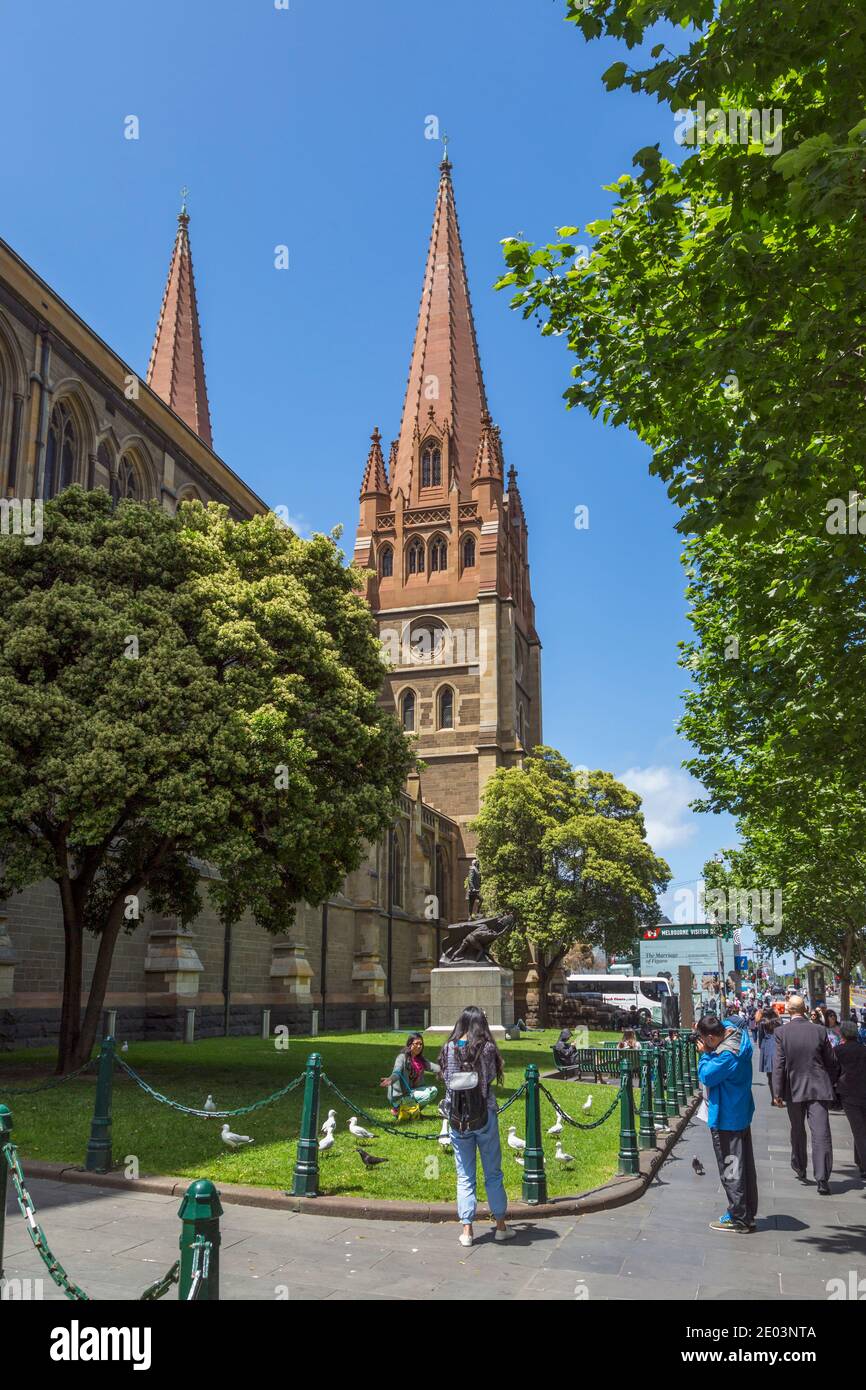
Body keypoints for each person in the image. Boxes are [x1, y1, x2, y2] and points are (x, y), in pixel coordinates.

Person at [438, 1005, 515, 1248]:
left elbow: (447, 1080)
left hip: (458, 1118)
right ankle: (501, 1226)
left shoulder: (449, 1048)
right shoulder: (488, 1048)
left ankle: (467, 1230)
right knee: (493, 1172)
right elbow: (490, 1077)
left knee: (464, 1175)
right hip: (484, 1116)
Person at [696, 1014, 758, 1233]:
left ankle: (739, 1218)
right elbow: (730, 1023)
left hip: (726, 1117)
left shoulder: (726, 1057)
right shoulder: (738, 1037)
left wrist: (704, 1055)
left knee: (731, 1168)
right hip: (740, 1111)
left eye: (704, 1039)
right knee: (744, 1166)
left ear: (712, 1038)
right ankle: (747, 1212)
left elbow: (706, 1076)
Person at [772, 995, 839, 1194]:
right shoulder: (819, 1030)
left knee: (797, 1129)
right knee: (821, 1132)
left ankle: (800, 1165)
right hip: (819, 1086)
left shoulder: (781, 1032)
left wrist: (777, 1092)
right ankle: (822, 1178)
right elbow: (832, 1061)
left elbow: (779, 1064)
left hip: (793, 1088)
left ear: (788, 1010)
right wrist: (831, 1081)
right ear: (804, 1009)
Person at [380, 1033, 442, 1117]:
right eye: (416, 1044)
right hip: (401, 1095)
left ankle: (413, 1113)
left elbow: (434, 1067)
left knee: (434, 1091)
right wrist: (391, 1079)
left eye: (421, 1044)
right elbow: (397, 1072)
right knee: (426, 1095)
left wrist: (449, 1069)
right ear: (410, 1044)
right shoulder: (402, 1057)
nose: (419, 1046)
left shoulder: (420, 1059)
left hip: (412, 1091)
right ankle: (399, 1110)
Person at [835, 1021, 866, 1181]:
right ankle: (860, 1162)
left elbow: (834, 1070)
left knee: (859, 1130)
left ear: (842, 1034)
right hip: (862, 1091)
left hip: (848, 1093)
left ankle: (863, 1164)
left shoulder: (839, 1050)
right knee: (861, 1129)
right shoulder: (863, 1050)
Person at [759, 1014, 780, 1099]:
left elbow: (760, 1036)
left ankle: (774, 1097)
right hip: (777, 1045)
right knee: (778, 1072)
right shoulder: (778, 1021)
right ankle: (779, 1095)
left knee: (770, 1074)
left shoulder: (763, 1022)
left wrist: (761, 1046)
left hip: (767, 1046)